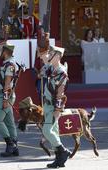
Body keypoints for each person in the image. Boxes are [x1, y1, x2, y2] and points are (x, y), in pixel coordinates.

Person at [38, 35, 71, 168]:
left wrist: (58, 111)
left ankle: (63, 151)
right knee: (54, 132)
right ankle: (59, 159)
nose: (49, 55)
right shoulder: (52, 68)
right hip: (47, 105)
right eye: (50, 52)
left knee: (47, 131)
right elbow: (43, 57)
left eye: (52, 53)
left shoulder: (62, 73)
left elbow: (60, 94)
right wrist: (43, 48)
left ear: (57, 56)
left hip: (53, 107)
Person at [0, 29, 19, 157]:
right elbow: (2, 46)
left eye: (2, 50)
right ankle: (15, 147)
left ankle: (10, 144)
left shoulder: (10, 65)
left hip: (5, 96)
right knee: (9, 122)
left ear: (7, 52)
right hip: (4, 95)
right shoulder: (7, 62)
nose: (0, 52)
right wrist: (1, 41)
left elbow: (7, 84)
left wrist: (5, 100)